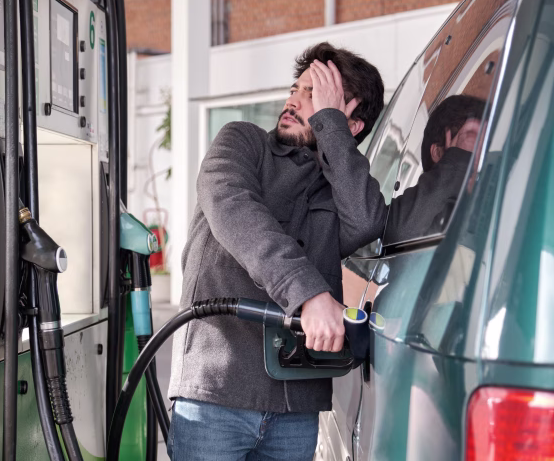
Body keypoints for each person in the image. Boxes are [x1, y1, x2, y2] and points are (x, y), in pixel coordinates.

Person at [167, 42, 386, 460]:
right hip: (216, 391)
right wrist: (309, 294)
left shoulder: (339, 185)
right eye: (296, 88)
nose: (293, 100)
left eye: (313, 95)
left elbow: (367, 221)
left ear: (349, 123)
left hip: (296, 406)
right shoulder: (241, 141)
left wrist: (329, 126)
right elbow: (232, 206)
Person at [384, 95, 486, 243]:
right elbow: (401, 236)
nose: (480, 159)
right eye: (472, 142)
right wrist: (456, 162)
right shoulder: (434, 222)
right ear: (438, 153)